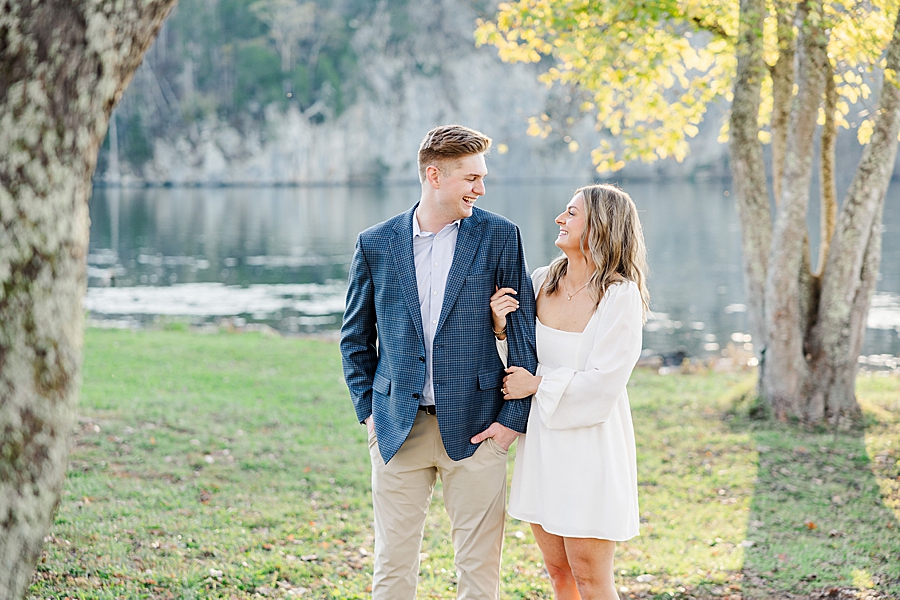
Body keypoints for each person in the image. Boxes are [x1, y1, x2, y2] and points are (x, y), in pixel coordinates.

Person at [340, 124, 537, 599]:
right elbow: (355, 338)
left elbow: (526, 338)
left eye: (481, 178)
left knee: (479, 571)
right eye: (471, 178)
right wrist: (369, 411)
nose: (480, 188)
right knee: (392, 566)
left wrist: (510, 423)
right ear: (434, 175)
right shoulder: (376, 243)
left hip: (477, 430)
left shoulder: (499, 236)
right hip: (396, 429)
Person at [485, 183, 649, 600]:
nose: (561, 218)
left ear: (601, 225)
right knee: (559, 573)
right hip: (543, 441)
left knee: (592, 579)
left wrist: (537, 385)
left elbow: (605, 381)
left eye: (572, 213)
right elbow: (519, 358)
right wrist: (501, 328)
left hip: (590, 445)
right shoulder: (542, 280)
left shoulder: (620, 295)